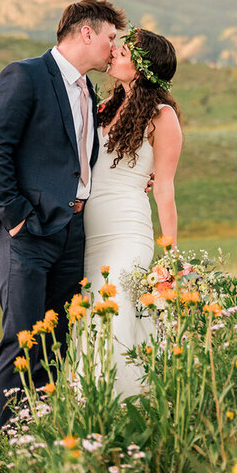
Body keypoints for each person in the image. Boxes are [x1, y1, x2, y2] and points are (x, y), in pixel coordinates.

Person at [0, 0, 126, 426]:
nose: (113, 48)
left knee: (57, 339)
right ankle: (2, 443)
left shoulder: (86, 89)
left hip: (70, 231)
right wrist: (18, 219)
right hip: (26, 231)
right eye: (110, 37)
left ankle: (37, 432)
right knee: (22, 339)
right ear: (86, 33)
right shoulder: (24, 75)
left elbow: (75, 160)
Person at [82, 26, 183, 396]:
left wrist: (170, 255)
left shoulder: (162, 116)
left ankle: (131, 406)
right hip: (91, 235)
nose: (113, 55)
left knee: (120, 315)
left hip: (128, 230)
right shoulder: (104, 108)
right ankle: (92, 409)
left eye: (123, 54)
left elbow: (165, 188)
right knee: (92, 322)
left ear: (140, 69)